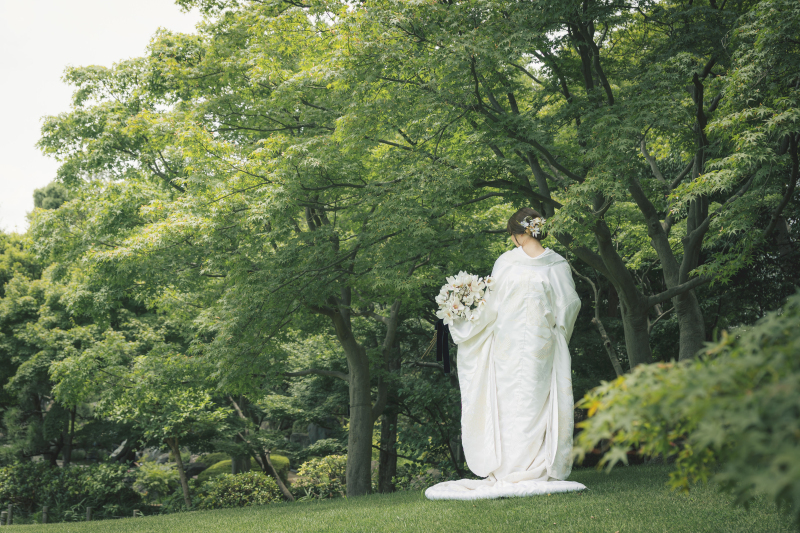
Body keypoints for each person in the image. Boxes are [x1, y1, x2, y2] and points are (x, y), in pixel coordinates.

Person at [425, 207, 586, 500]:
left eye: (512, 234)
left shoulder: (514, 263)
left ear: (518, 233)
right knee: (523, 404)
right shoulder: (556, 265)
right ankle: (522, 466)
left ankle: (523, 466)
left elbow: (490, 308)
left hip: (515, 345)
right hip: (535, 345)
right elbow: (569, 307)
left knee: (522, 404)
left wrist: (465, 321)